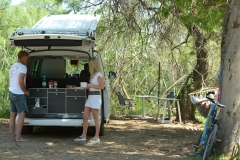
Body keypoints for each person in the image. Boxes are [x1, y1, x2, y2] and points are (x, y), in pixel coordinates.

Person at [74, 58, 104, 143]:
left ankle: (96, 137)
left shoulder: (99, 75)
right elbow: (92, 86)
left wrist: (90, 86)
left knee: (95, 118)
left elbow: (102, 87)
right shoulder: (93, 75)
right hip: (90, 98)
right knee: (85, 116)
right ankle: (83, 135)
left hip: (95, 98)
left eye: (89, 64)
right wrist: (85, 87)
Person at [8, 50, 29, 142]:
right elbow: (21, 81)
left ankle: (12, 136)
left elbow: (9, 81)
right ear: (24, 57)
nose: (27, 60)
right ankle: (18, 137)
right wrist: (25, 91)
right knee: (21, 114)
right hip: (19, 94)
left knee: (13, 115)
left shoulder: (12, 67)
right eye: (27, 59)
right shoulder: (23, 67)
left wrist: (13, 88)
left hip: (11, 92)